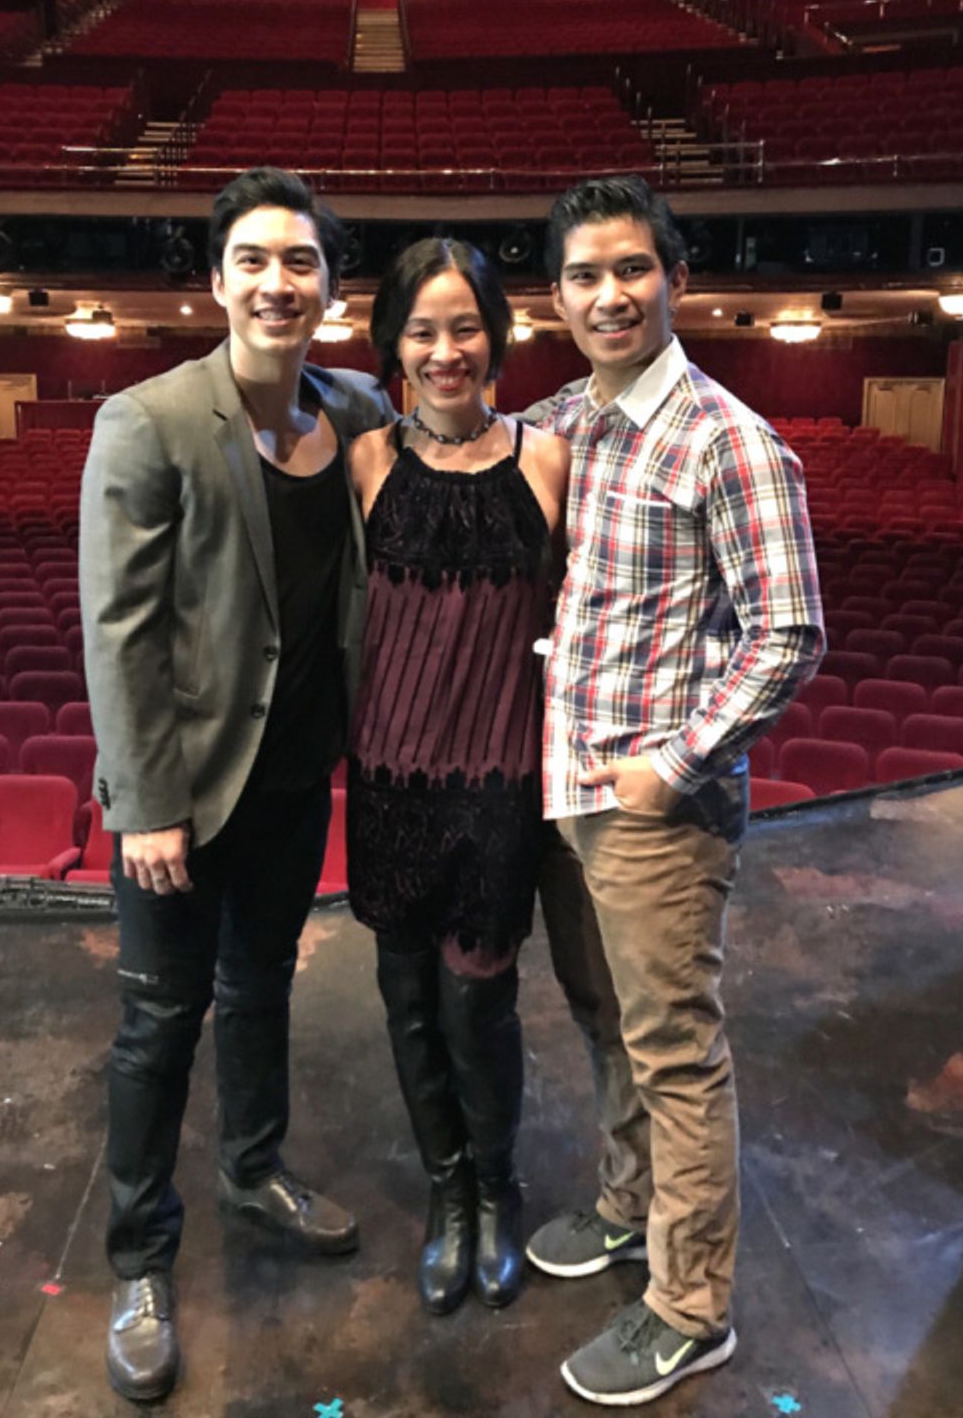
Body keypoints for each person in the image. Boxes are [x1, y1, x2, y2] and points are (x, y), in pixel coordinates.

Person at [79, 166, 393, 1404]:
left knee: (259, 989)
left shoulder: (360, 407)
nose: (278, 280)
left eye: (301, 261)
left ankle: (253, 1166)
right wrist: (143, 800)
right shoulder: (147, 419)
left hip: (294, 781)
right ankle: (140, 1258)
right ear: (217, 282)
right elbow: (122, 629)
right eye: (253, 259)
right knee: (159, 1025)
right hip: (185, 790)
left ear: (330, 284)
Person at [524, 175, 825, 1405]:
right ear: (557, 296)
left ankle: (692, 1307)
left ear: (676, 279)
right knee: (606, 1027)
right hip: (565, 788)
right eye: (585, 274)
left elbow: (790, 632)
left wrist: (677, 760)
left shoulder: (727, 439)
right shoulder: (563, 422)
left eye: (633, 268)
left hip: (656, 807)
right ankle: (625, 1204)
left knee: (675, 1053)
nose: (610, 293)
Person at [345, 238, 570, 1316]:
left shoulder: (546, 459)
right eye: (423, 331)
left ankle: (496, 1188)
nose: (444, 350)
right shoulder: (367, 464)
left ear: (497, 338)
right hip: (389, 777)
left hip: (496, 780)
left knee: (477, 1002)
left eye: (463, 326)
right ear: (393, 344)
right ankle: (445, 1192)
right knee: (406, 1004)